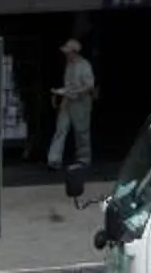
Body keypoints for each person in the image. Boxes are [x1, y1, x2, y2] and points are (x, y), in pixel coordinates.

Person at [45, 36, 98, 198]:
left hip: (81, 103)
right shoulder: (69, 65)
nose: (66, 55)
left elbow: (89, 85)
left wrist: (73, 92)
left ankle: (84, 158)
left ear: (74, 52)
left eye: (68, 52)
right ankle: (54, 159)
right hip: (68, 101)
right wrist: (62, 91)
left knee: (81, 131)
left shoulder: (84, 65)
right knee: (61, 128)